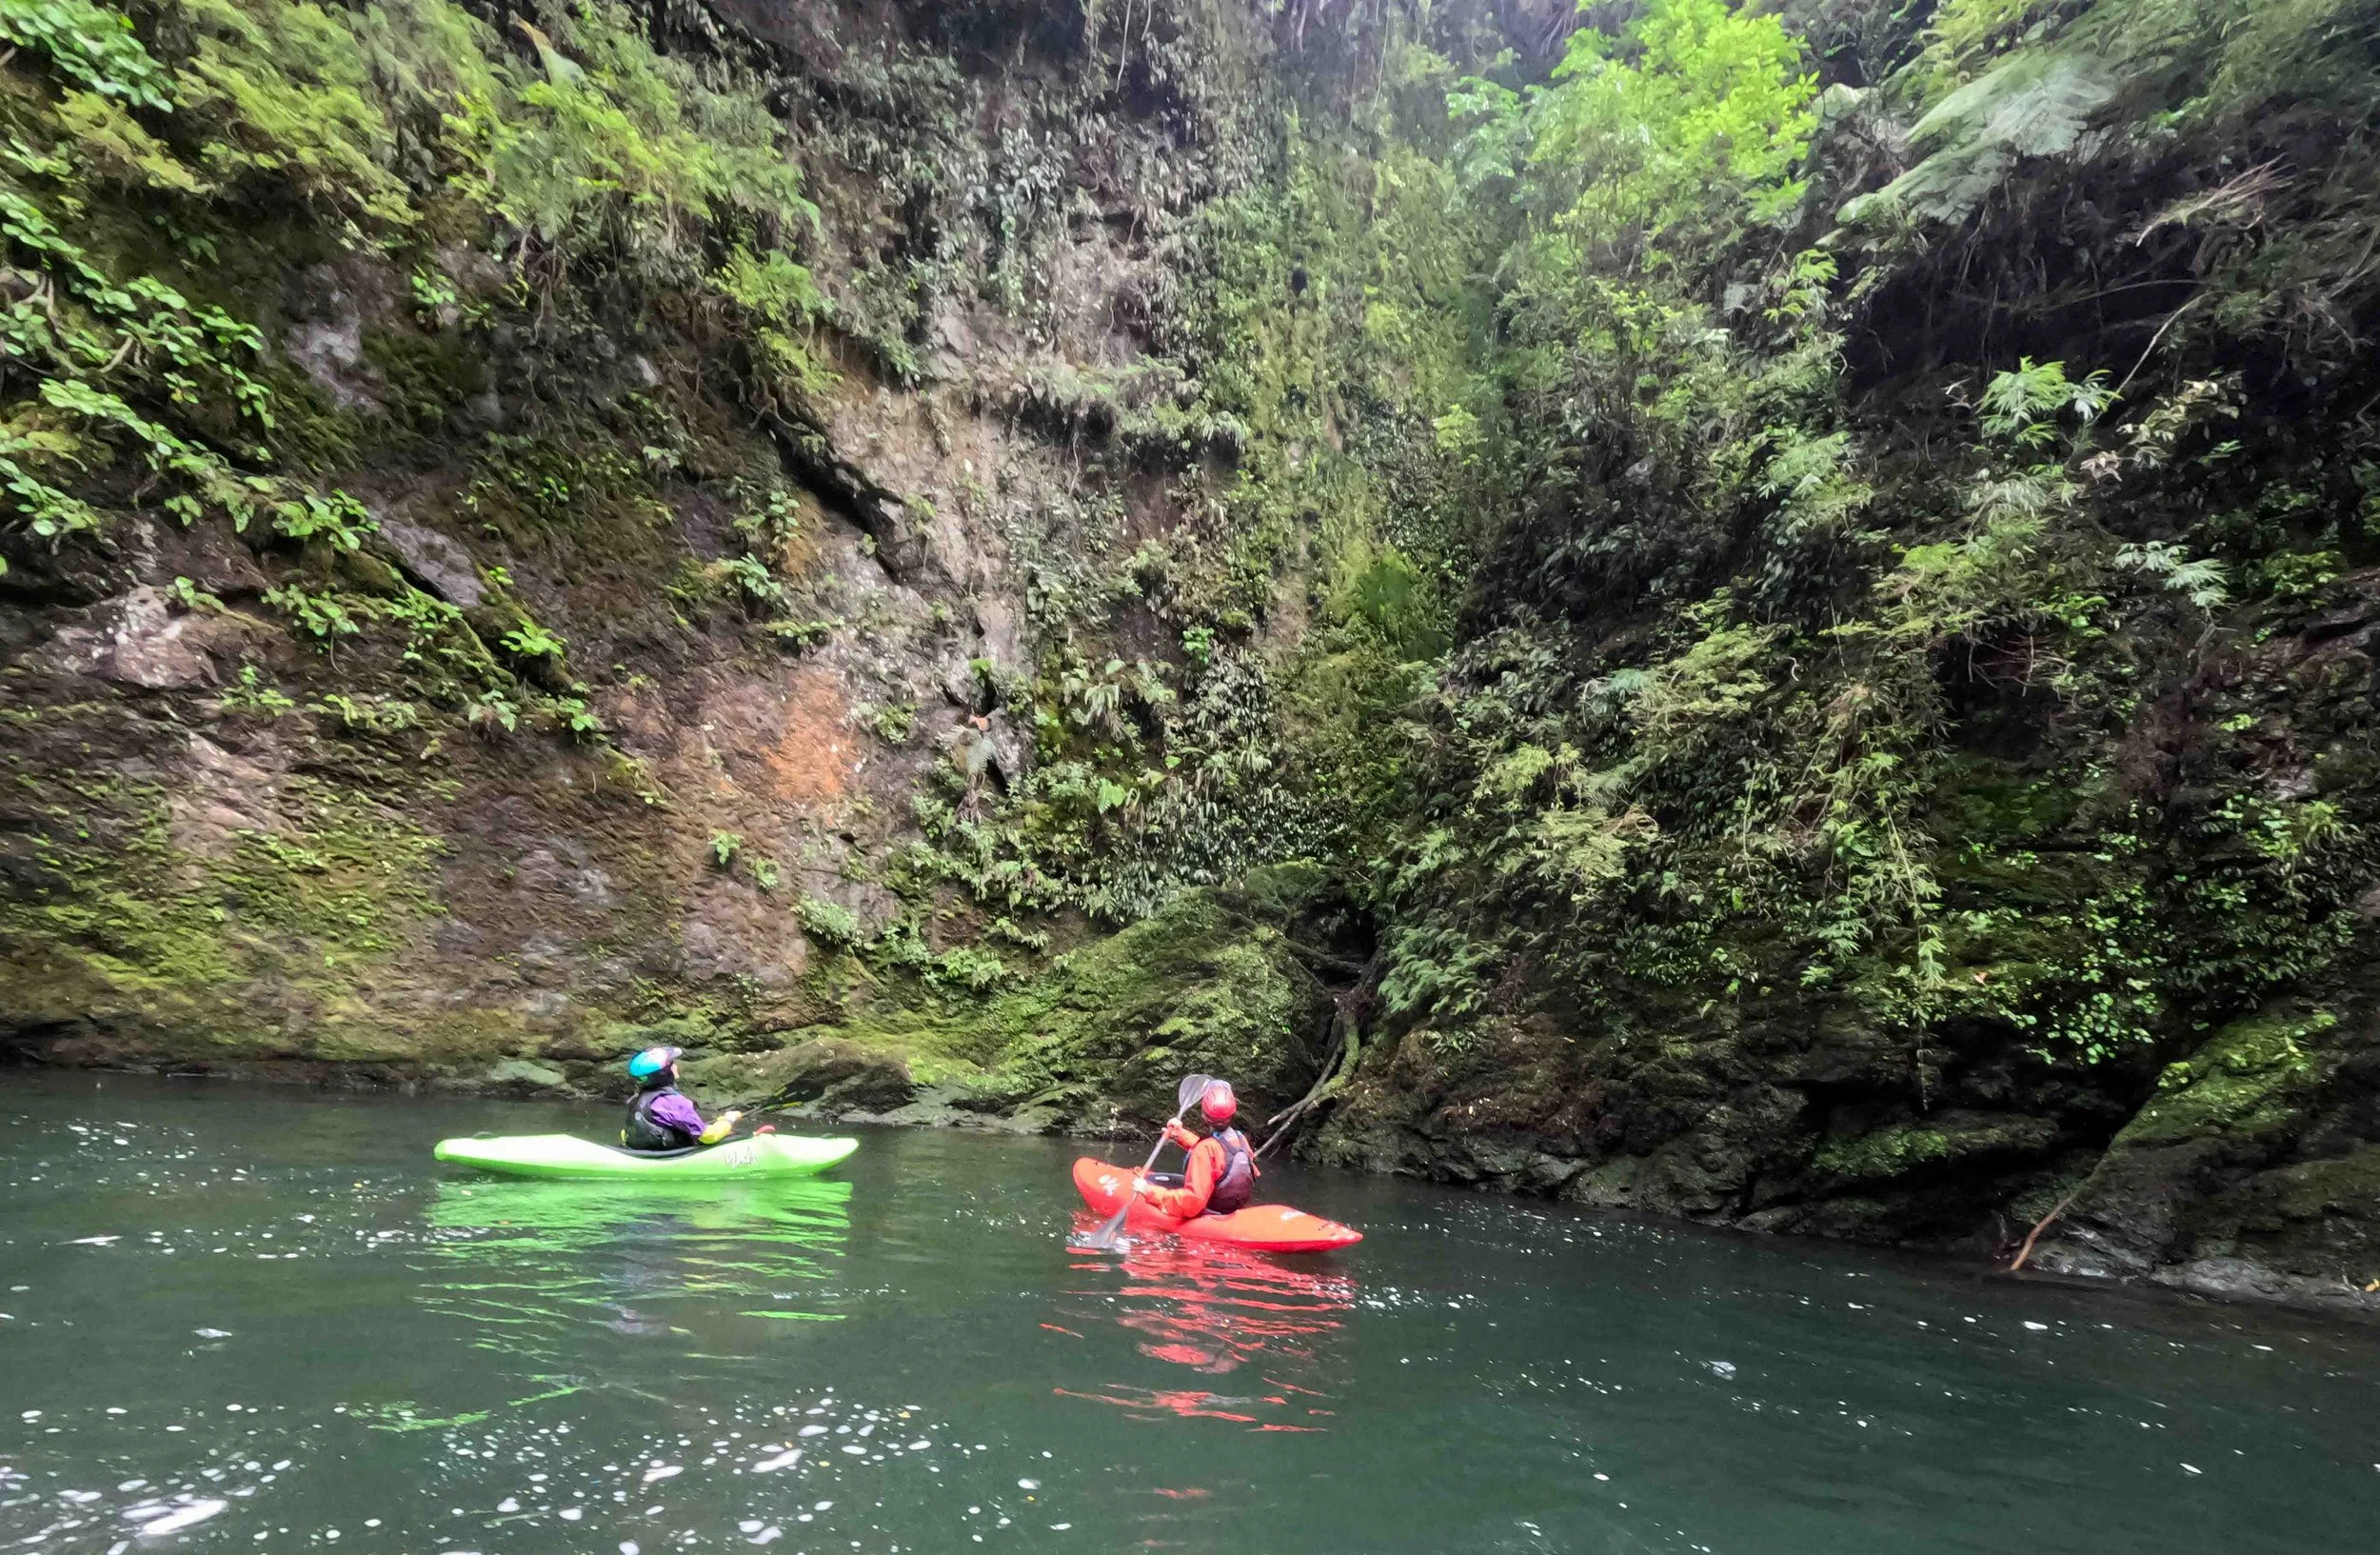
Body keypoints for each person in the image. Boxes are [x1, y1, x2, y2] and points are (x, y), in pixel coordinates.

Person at [1137, 1080, 1258, 1218]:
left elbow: (1194, 1201)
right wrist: (1180, 1134)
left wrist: (1150, 1193)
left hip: (1210, 1210)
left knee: (1149, 1181)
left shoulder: (1205, 1149)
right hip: (1231, 1206)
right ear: (1232, 1114)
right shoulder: (1241, 1140)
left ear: (1204, 1115)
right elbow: (1222, 1156)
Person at [619, 1046, 742, 1151]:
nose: (676, 1066)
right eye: (672, 1064)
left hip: (642, 1152)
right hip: (670, 1156)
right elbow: (708, 1136)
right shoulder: (675, 1103)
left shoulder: (636, 1100)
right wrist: (728, 1120)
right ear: (663, 1073)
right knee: (732, 1136)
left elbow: (627, 1134)